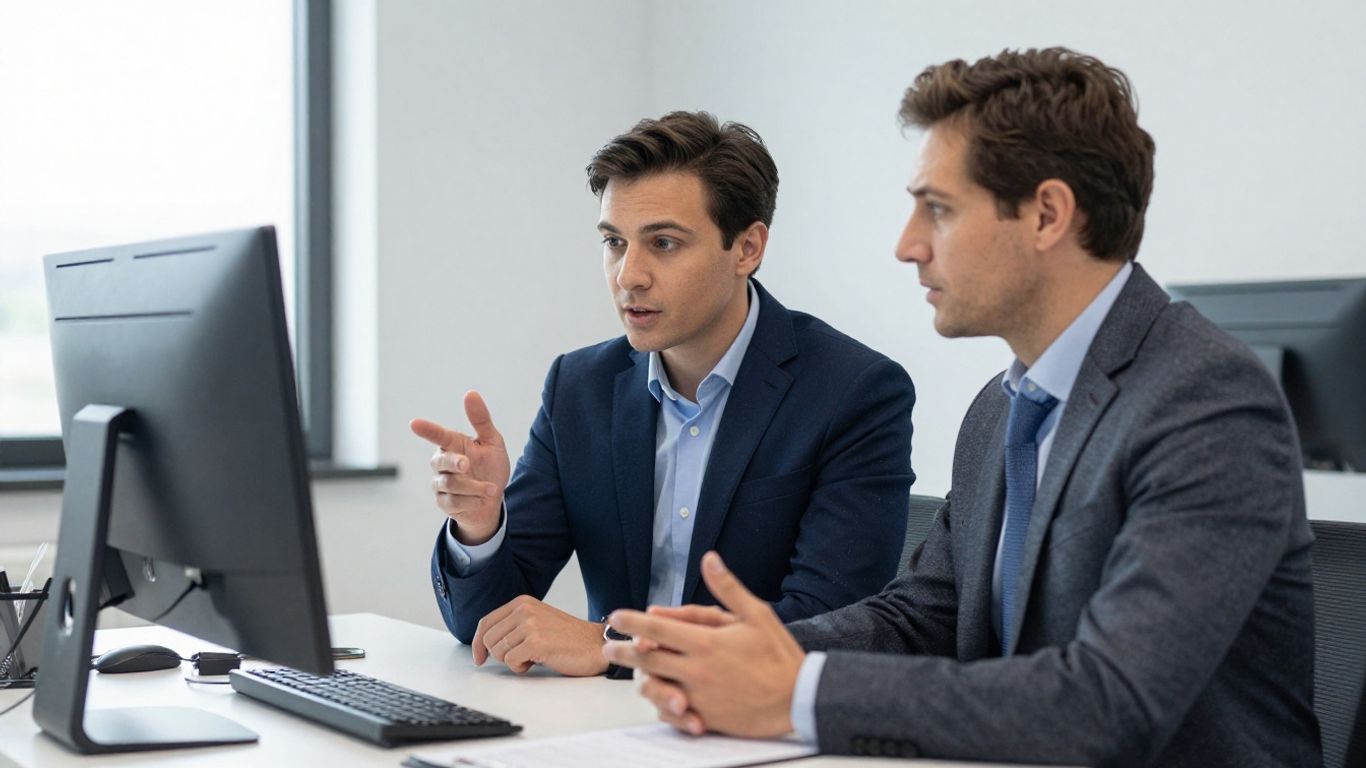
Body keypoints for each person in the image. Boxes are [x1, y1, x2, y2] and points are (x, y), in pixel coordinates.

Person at [604, 49, 1321, 767]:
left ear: (1047, 215)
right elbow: (925, 617)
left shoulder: (1206, 402)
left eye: (939, 209)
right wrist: (743, 656)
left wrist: (797, 692)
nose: (907, 245)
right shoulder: (1000, 410)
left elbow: (1107, 703)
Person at [411, 111, 916, 679]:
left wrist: (613, 644)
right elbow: (485, 628)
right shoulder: (580, 386)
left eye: (664, 243)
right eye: (614, 242)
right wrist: (480, 525)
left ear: (747, 248)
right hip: (605, 716)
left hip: (751, 720)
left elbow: (829, 625)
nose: (628, 275)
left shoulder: (855, 391)